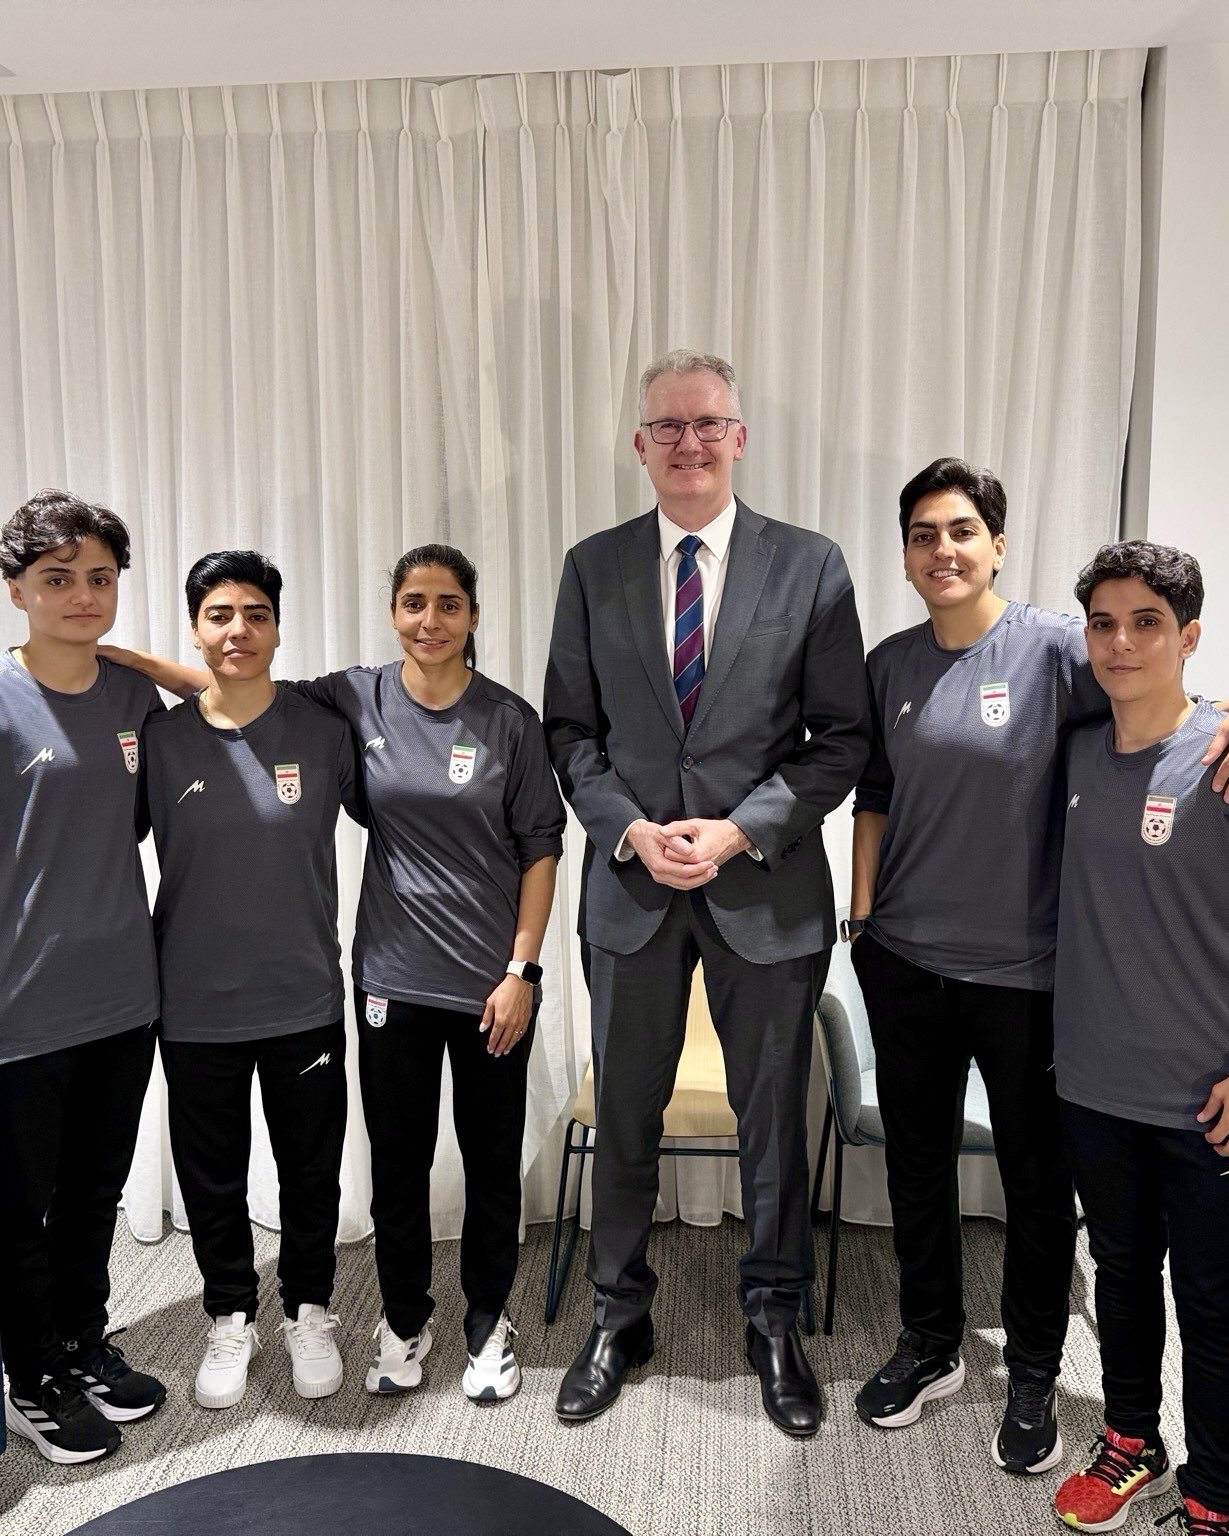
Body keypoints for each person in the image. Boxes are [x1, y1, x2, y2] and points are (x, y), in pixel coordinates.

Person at [109, 543, 565, 1403]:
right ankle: (379, 1318)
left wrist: (524, 968)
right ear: (392, 613)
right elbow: (234, 689)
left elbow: (541, 845)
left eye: (449, 604)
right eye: (413, 602)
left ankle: (464, 1319)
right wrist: (121, 658)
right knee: (386, 1165)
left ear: (473, 615)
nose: (429, 620)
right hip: (370, 979)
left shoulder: (490, 719)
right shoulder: (344, 701)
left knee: (477, 1160)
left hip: (470, 986)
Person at [847, 461, 1229, 1475]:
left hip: (1028, 975)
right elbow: (873, 795)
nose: (942, 550)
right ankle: (928, 1342)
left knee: (1033, 1183)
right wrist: (861, 918)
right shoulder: (887, 665)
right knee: (915, 1166)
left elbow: (1159, 698)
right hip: (905, 964)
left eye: (960, 531)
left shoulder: (1062, 648)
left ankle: (1030, 1369)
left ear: (996, 545)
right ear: (905, 554)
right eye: (923, 534)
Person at [544, 349, 871, 1437]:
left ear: (739, 437)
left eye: (706, 424)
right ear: (639, 445)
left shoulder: (809, 566)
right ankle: (617, 1316)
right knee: (625, 1115)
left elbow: (841, 740)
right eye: (667, 427)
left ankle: (773, 1320)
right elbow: (569, 732)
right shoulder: (592, 567)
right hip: (631, 889)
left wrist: (737, 830)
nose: (688, 443)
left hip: (764, 892)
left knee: (771, 1121)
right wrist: (629, 829)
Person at [143, 551, 365, 1410]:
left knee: (310, 1172)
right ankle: (230, 1315)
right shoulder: (160, 741)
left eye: (255, 614)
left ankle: (308, 1309)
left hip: (302, 997)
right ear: (195, 628)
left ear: (277, 627)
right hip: (194, 1004)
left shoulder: (323, 731)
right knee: (213, 1178)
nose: (238, 630)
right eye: (219, 615)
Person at [1051, 542, 1229, 1536]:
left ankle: (1216, 1487)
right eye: (1103, 624)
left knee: (1211, 1300)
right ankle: (1130, 1439)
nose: (1120, 643)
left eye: (1146, 623)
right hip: (1092, 1080)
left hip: (1203, 1091)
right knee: (1119, 1276)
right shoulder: (1076, 749)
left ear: (1187, 637)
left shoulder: (1218, 756)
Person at [0, 490, 166, 1466]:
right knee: (19, 1212)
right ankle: (30, 1378)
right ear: (15, 588)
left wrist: (137, 662)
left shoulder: (132, 701)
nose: (82, 596)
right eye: (57, 578)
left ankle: (77, 1342)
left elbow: (231, 701)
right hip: (19, 1008)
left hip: (121, 997)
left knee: (94, 1192)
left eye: (100, 578)